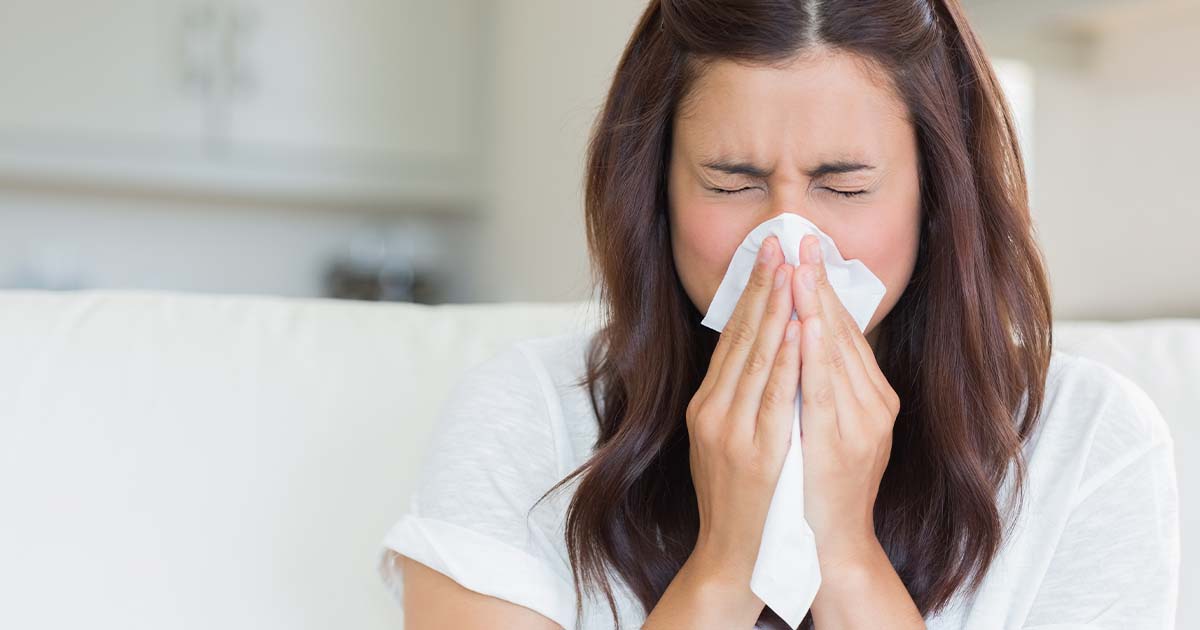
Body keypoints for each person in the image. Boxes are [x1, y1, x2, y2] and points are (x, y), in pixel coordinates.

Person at [377, 0, 1180, 628]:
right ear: (654, 193)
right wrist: (727, 564)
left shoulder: (1087, 438)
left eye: (845, 186)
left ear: (937, 195)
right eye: (731, 183)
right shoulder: (524, 417)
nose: (787, 245)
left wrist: (844, 552)